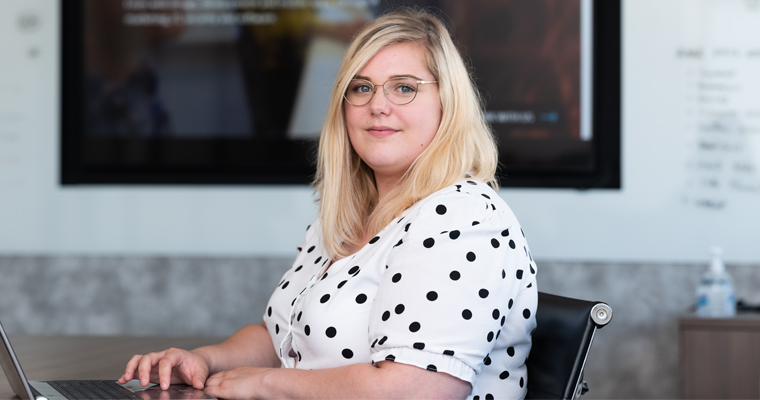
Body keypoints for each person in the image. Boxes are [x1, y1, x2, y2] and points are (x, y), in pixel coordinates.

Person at [118, 8, 537, 400]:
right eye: (361, 88)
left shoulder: (463, 216)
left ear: (449, 105)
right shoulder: (342, 220)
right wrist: (204, 360)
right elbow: (279, 335)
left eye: (405, 88)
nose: (378, 105)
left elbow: (417, 389)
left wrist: (265, 383)